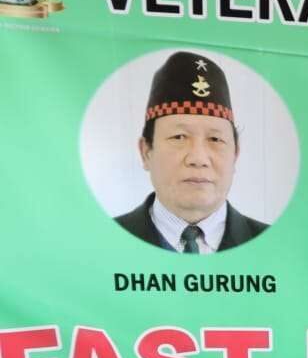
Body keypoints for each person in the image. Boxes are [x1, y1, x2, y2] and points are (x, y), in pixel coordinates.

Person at [113, 50, 270, 252]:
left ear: (235, 154)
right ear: (146, 152)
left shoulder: (277, 246)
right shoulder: (98, 241)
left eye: (215, 139)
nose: (198, 158)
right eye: (179, 137)